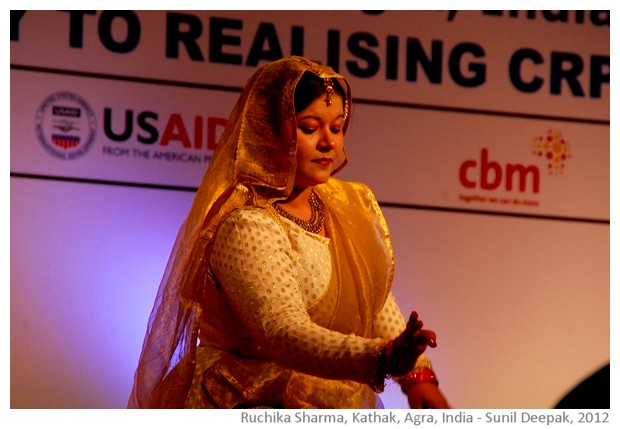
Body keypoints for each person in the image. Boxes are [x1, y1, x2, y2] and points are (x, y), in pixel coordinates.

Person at [128, 56, 450, 409]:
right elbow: (282, 331)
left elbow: (371, 301)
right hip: (252, 401)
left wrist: (416, 376)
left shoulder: (348, 205)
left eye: (337, 127)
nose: (328, 142)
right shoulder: (247, 222)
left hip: (334, 402)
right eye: (310, 128)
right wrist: (383, 357)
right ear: (270, 129)